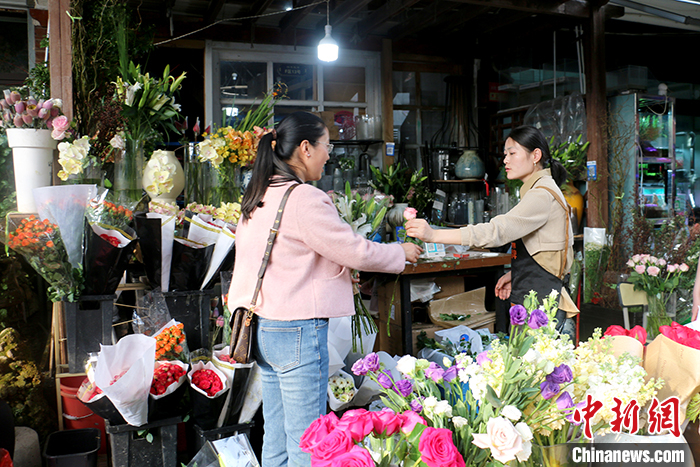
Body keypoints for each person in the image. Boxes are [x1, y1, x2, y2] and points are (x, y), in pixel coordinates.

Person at [227, 111, 422, 467]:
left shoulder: (260, 195)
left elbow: (288, 258)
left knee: (277, 437)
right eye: (326, 146)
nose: (329, 154)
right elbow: (354, 249)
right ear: (305, 148)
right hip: (297, 330)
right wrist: (400, 252)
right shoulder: (303, 198)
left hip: (262, 328)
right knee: (309, 441)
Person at [406, 125, 578, 324]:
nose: (505, 160)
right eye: (505, 154)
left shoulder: (541, 194)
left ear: (535, 155)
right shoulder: (540, 189)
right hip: (535, 290)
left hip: (541, 300)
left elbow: (498, 230)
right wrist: (517, 274)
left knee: (534, 354)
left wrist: (435, 236)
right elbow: (548, 248)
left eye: (512, 153)